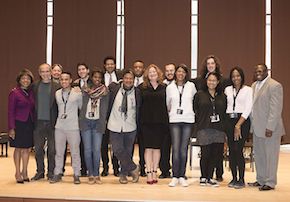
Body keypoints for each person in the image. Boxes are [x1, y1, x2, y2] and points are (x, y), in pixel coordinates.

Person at [248, 64, 285, 191]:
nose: (258, 73)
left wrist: (270, 127)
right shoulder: (253, 86)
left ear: (266, 71)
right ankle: (261, 179)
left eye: (260, 71)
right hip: (257, 128)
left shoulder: (274, 85)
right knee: (259, 155)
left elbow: (275, 109)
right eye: (256, 71)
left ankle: (270, 182)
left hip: (270, 129)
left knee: (271, 156)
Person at [193, 55, 229, 182]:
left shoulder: (222, 96)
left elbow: (224, 112)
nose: (212, 82)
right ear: (206, 81)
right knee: (205, 154)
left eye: (214, 81)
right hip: (204, 128)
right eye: (209, 80)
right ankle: (204, 176)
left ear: (218, 82)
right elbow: (195, 109)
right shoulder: (199, 95)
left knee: (215, 154)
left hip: (218, 129)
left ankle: (211, 177)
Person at [107, 69, 140, 184]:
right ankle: (134, 168)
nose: (128, 80)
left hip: (130, 126)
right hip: (114, 125)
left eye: (131, 79)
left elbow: (139, 109)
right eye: (126, 78)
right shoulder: (114, 89)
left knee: (128, 151)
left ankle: (123, 174)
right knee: (117, 150)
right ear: (122, 79)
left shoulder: (137, 92)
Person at [166, 64, 197, 187]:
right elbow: (168, 104)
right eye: (178, 71)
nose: (180, 74)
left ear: (186, 74)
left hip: (188, 120)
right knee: (176, 149)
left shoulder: (191, 86)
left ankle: (182, 175)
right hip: (174, 120)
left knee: (184, 149)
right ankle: (175, 176)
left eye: (183, 72)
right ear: (175, 73)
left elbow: (194, 101)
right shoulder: (170, 87)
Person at [50, 72, 82, 184]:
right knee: (59, 152)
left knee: (75, 152)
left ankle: (77, 173)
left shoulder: (77, 93)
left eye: (66, 79)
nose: (64, 81)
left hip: (73, 127)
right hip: (59, 127)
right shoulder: (57, 93)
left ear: (70, 80)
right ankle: (57, 172)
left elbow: (81, 108)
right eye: (62, 79)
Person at [140, 64, 169, 184]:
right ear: (147, 74)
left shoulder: (164, 87)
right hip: (146, 122)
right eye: (150, 72)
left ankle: (155, 172)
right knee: (148, 148)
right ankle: (149, 173)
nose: (152, 74)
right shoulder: (142, 87)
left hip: (160, 122)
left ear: (158, 74)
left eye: (154, 72)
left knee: (157, 148)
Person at [79, 69, 109, 184]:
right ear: (91, 77)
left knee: (96, 150)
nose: (97, 79)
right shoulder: (85, 90)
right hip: (86, 121)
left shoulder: (105, 91)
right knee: (87, 150)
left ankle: (96, 174)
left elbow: (106, 108)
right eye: (95, 77)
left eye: (99, 77)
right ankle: (90, 173)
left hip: (98, 122)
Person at [224, 67, 252, 189]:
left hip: (242, 121)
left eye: (238, 75)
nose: (236, 78)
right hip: (229, 121)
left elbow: (248, 108)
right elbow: (225, 106)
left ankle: (241, 179)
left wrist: (238, 125)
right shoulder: (227, 90)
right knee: (231, 150)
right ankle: (234, 178)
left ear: (242, 77)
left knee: (238, 149)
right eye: (233, 76)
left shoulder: (248, 90)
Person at [31, 63, 60, 181]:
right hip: (38, 123)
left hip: (52, 122)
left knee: (52, 150)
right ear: (39, 73)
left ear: (51, 72)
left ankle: (51, 172)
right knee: (38, 149)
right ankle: (40, 171)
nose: (45, 74)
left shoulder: (57, 87)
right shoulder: (34, 86)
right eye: (42, 71)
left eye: (47, 71)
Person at [8, 69, 35, 183]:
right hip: (18, 123)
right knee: (18, 149)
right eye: (23, 78)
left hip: (29, 123)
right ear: (19, 80)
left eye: (28, 78)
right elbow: (10, 111)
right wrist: (11, 128)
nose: (26, 80)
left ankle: (25, 171)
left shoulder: (31, 92)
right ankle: (17, 172)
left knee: (27, 149)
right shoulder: (14, 92)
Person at [101, 56, 122, 177]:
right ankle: (105, 167)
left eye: (112, 64)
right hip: (103, 115)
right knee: (103, 144)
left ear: (115, 65)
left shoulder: (120, 77)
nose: (110, 66)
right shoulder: (99, 78)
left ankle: (116, 167)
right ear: (105, 66)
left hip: (116, 115)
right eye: (107, 64)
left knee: (115, 144)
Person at [72, 63, 91, 176]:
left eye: (83, 69)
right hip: (77, 118)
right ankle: (82, 169)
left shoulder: (93, 83)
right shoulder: (74, 84)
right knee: (79, 145)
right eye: (79, 69)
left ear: (87, 70)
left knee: (88, 145)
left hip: (90, 117)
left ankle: (89, 168)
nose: (81, 71)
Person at [159, 63, 176, 179]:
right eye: (167, 71)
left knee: (176, 147)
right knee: (164, 147)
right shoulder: (162, 86)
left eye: (172, 70)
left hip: (176, 120)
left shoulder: (179, 85)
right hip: (164, 121)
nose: (170, 73)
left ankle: (177, 171)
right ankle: (164, 170)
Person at [132, 60, 146, 177]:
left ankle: (143, 167)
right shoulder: (128, 81)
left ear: (143, 69)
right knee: (129, 144)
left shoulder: (145, 84)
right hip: (130, 118)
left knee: (142, 145)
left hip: (142, 118)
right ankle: (127, 167)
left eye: (140, 67)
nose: (137, 69)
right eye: (135, 67)